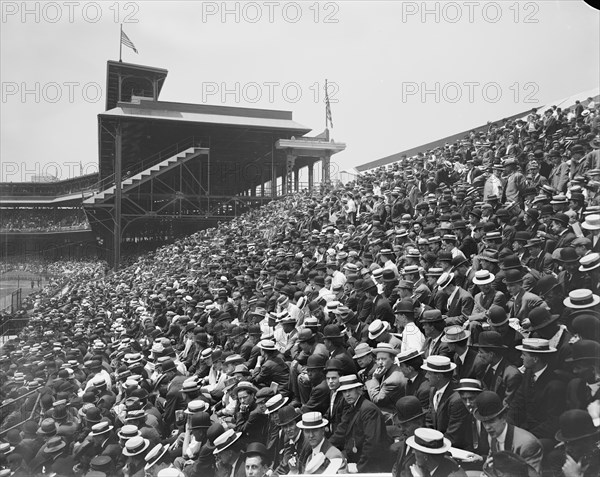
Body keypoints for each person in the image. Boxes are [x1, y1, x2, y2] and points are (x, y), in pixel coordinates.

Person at [330, 375, 392, 473]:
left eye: (350, 390)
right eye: (344, 391)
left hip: (371, 464)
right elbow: (341, 431)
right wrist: (325, 448)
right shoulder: (353, 406)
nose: (347, 395)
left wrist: (359, 467)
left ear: (359, 390)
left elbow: (372, 444)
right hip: (355, 456)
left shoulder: (368, 409)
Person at [473, 391, 543, 477]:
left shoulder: (527, 444)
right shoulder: (491, 437)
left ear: (504, 417)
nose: (487, 427)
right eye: (484, 422)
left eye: (491, 421)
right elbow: (491, 463)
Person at [422, 355, 470, 449]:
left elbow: (454, 435)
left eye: (429, 373)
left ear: (439, 376)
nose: (426, 376)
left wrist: (432, 446)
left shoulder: (456, 400)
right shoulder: (433, 391)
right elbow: (429, 420)